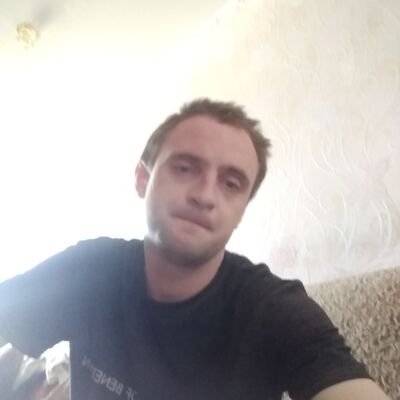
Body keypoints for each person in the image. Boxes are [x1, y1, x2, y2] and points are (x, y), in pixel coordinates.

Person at [0, 99, 390, 400]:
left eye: (231, 183)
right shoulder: (89, 270)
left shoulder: (271, 308)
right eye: (185, 168)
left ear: (242, 211)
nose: (205, 195)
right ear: (142, 179)